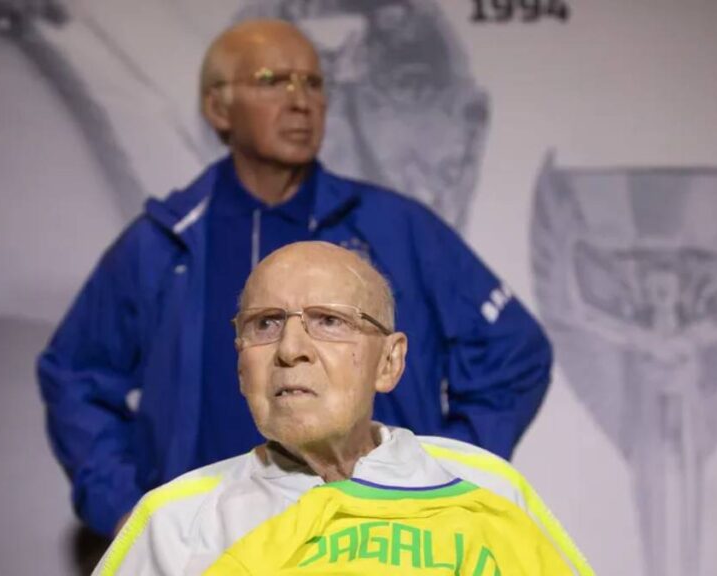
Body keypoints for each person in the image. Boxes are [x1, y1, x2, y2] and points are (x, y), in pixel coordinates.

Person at [37, 18, 553, 538]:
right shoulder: (165, 242)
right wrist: (126, 511)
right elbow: (75, 374)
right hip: (211, 551)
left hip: (370, 548)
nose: (301, 100)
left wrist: (440, 476)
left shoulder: (396, 228)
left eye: (313, 82)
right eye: (272, 81)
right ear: (219, 108)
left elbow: (514, 355)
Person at [91, 242, 590, 576]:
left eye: (328, 321)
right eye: (264, 325)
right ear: (242, 366)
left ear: (389, 361)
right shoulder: (175, 523)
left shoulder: (489, 490)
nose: (290, 349)